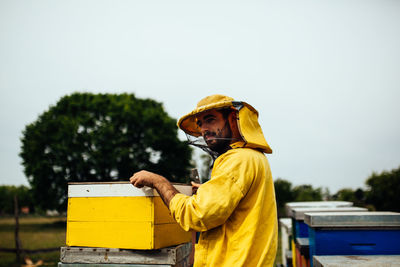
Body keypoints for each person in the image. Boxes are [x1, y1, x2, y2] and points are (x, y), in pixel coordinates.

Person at [130, 94, 277, 267]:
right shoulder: (252, 157)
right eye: (200, 124)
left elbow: (197, 215)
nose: (203, 129)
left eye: (210, 120)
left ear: (233, 119)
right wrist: (208, 193)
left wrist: (159, 182)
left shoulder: (237, 160)